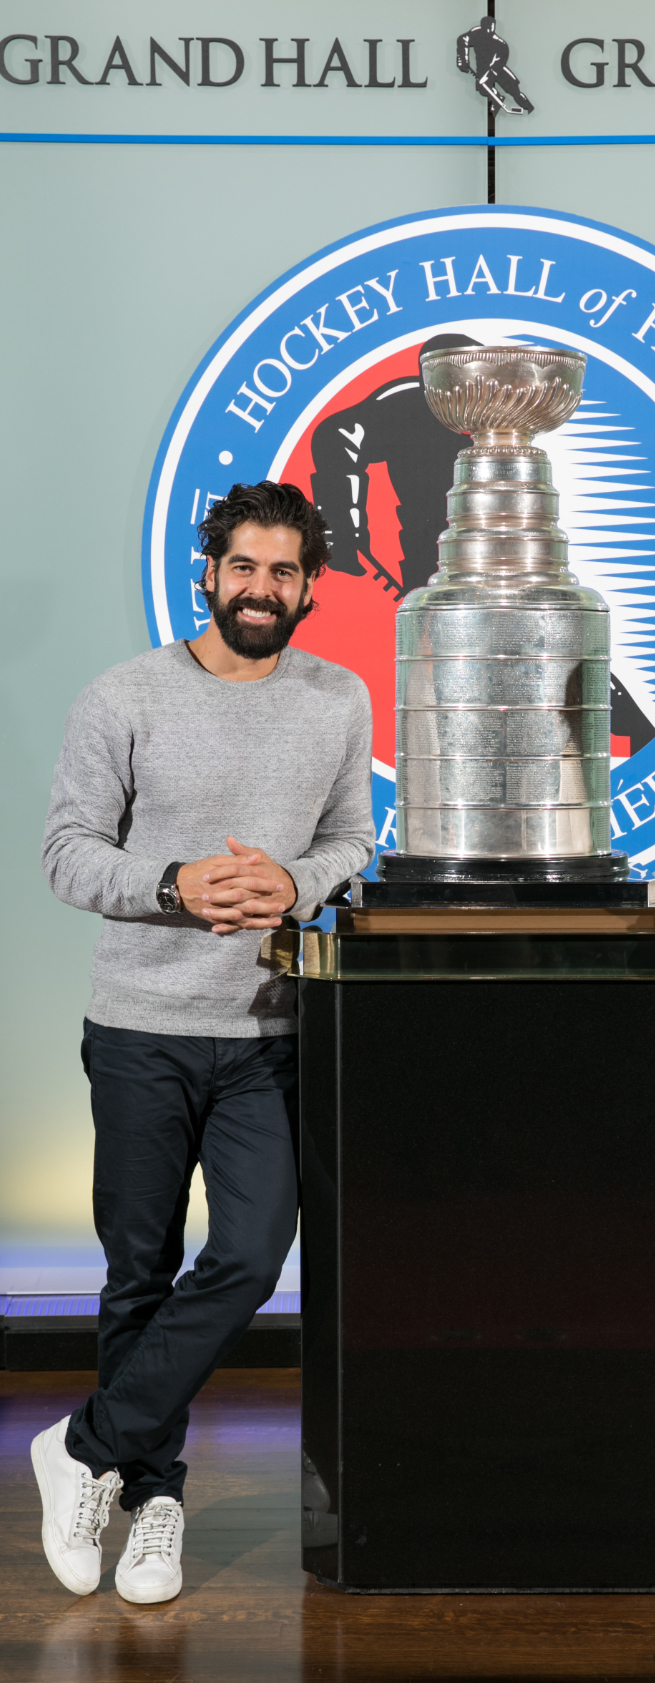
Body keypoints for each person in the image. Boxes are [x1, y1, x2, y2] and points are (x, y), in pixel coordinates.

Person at [34, 480, 375, 1606]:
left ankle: (83, 1443)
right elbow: (69, 854)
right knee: (136, 1272)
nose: (262, 589)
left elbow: (350, 840)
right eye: (244, 567)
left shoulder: (337, 698)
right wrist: (179, 883)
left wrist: (297, 881)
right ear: (209, 574)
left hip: (267, 1033)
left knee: (246, 1253)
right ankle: (151, 1499)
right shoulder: (123, 695)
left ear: (310, 586)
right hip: (138, 1029)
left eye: (284, 572)